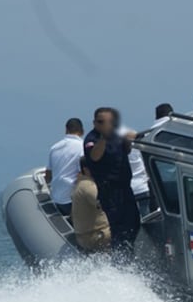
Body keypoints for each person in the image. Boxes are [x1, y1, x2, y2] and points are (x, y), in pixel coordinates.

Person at [84, 107, 141, 253]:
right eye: (101, 122)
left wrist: (127, 139)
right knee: (119, 228)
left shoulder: (117, 135)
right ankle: (120, 260)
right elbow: (94, 156)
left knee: (134, 223)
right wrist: (104, 137)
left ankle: (128, 253)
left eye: (109, 122)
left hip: (125, 188)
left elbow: (127, 149)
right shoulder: (92, 139)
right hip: (109, 191)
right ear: (95, 123)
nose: (105, 124)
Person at [45, 118, 85, 217]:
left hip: (57, 199)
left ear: (66, 130)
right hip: (71, 200)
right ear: (82, 131)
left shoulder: (54, 148)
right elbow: (82, 175)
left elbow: (48, 175)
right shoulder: (82, 147)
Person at [70, 158, 110, 252]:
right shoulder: (89, 186)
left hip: (86, 236)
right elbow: (105, 203)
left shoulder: (80, 184)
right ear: (86, 170)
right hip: (97, 235)